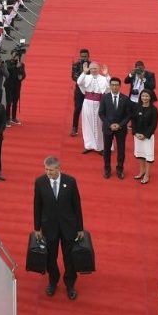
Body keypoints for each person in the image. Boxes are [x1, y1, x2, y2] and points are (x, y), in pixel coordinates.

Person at [32, 156, 85, 300]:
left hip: (68, 227)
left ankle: (70, 284)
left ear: (58, 169)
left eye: (51, 170)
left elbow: (77, 206)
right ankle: (53, 281)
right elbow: (37, 206)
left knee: (69, 258)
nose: (48, 172)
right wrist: (37, 228)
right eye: (46, 169)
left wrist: (80, 228)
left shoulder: (70, 181)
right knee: (50, 257)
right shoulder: (40, 182)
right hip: (49, 228)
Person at [98, 77, 133, 179]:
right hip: (108, 128)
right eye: (112, 85)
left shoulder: (125, 99)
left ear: (119, 86)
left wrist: (120, 125)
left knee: (121, 150)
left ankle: (120, 169)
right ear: (110, 86)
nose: (114, 87)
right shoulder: (105, 97)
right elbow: (101, 113)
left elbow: (128, 115)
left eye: (116, 85)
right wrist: (110, 125)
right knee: (107, 150)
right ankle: (107, 169)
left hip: (121, 129)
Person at [75, 61, 109, 154]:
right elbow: (79, 82)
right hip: (87, 103)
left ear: (99, 69)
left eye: (95, 68)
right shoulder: (86, 77)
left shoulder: (103, 78)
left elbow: (109, 87)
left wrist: (107, 75)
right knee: (87, 124)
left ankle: (100, 147)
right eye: (92, 68)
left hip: (99, 103)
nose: (93, 70)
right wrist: (84, 72)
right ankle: (88, 145)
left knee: (99, 124)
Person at [131, 88, 158, 184]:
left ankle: (147, 174)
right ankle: (142, 171)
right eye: (143, 96)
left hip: (147, 137)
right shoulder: (136, 107)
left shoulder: (154, 109)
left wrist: (145, 135)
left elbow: (154, 124)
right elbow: (133, 121)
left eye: (147, 96)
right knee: (140, 154)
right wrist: (135, 133)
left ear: (150, 97)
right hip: (137, 136)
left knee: (148, 156)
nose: (145, 98)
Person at [69, 48, 90, 137]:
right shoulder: (76, 65)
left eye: (85, 56)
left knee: (89, 110)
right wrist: (83, 77)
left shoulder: (92, 65)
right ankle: (74, 127)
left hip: (90, 90)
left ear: (88, 56)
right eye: (82, 56)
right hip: (79, 89)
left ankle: (89, 129)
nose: (83, 58)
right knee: (77, 108)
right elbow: (74, 77)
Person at [4, 51, 26, 125]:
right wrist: (15, 67)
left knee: (15, 102)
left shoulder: (21, 65)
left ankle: (13, 117)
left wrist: (21, 76)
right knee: (9, 102)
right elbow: (8, 70)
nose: (16, 57)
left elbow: (23, 74)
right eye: (14, 55)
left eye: (17, 56)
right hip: (9, 85)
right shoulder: (7, 62)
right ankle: (7, 118)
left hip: (17, 85)